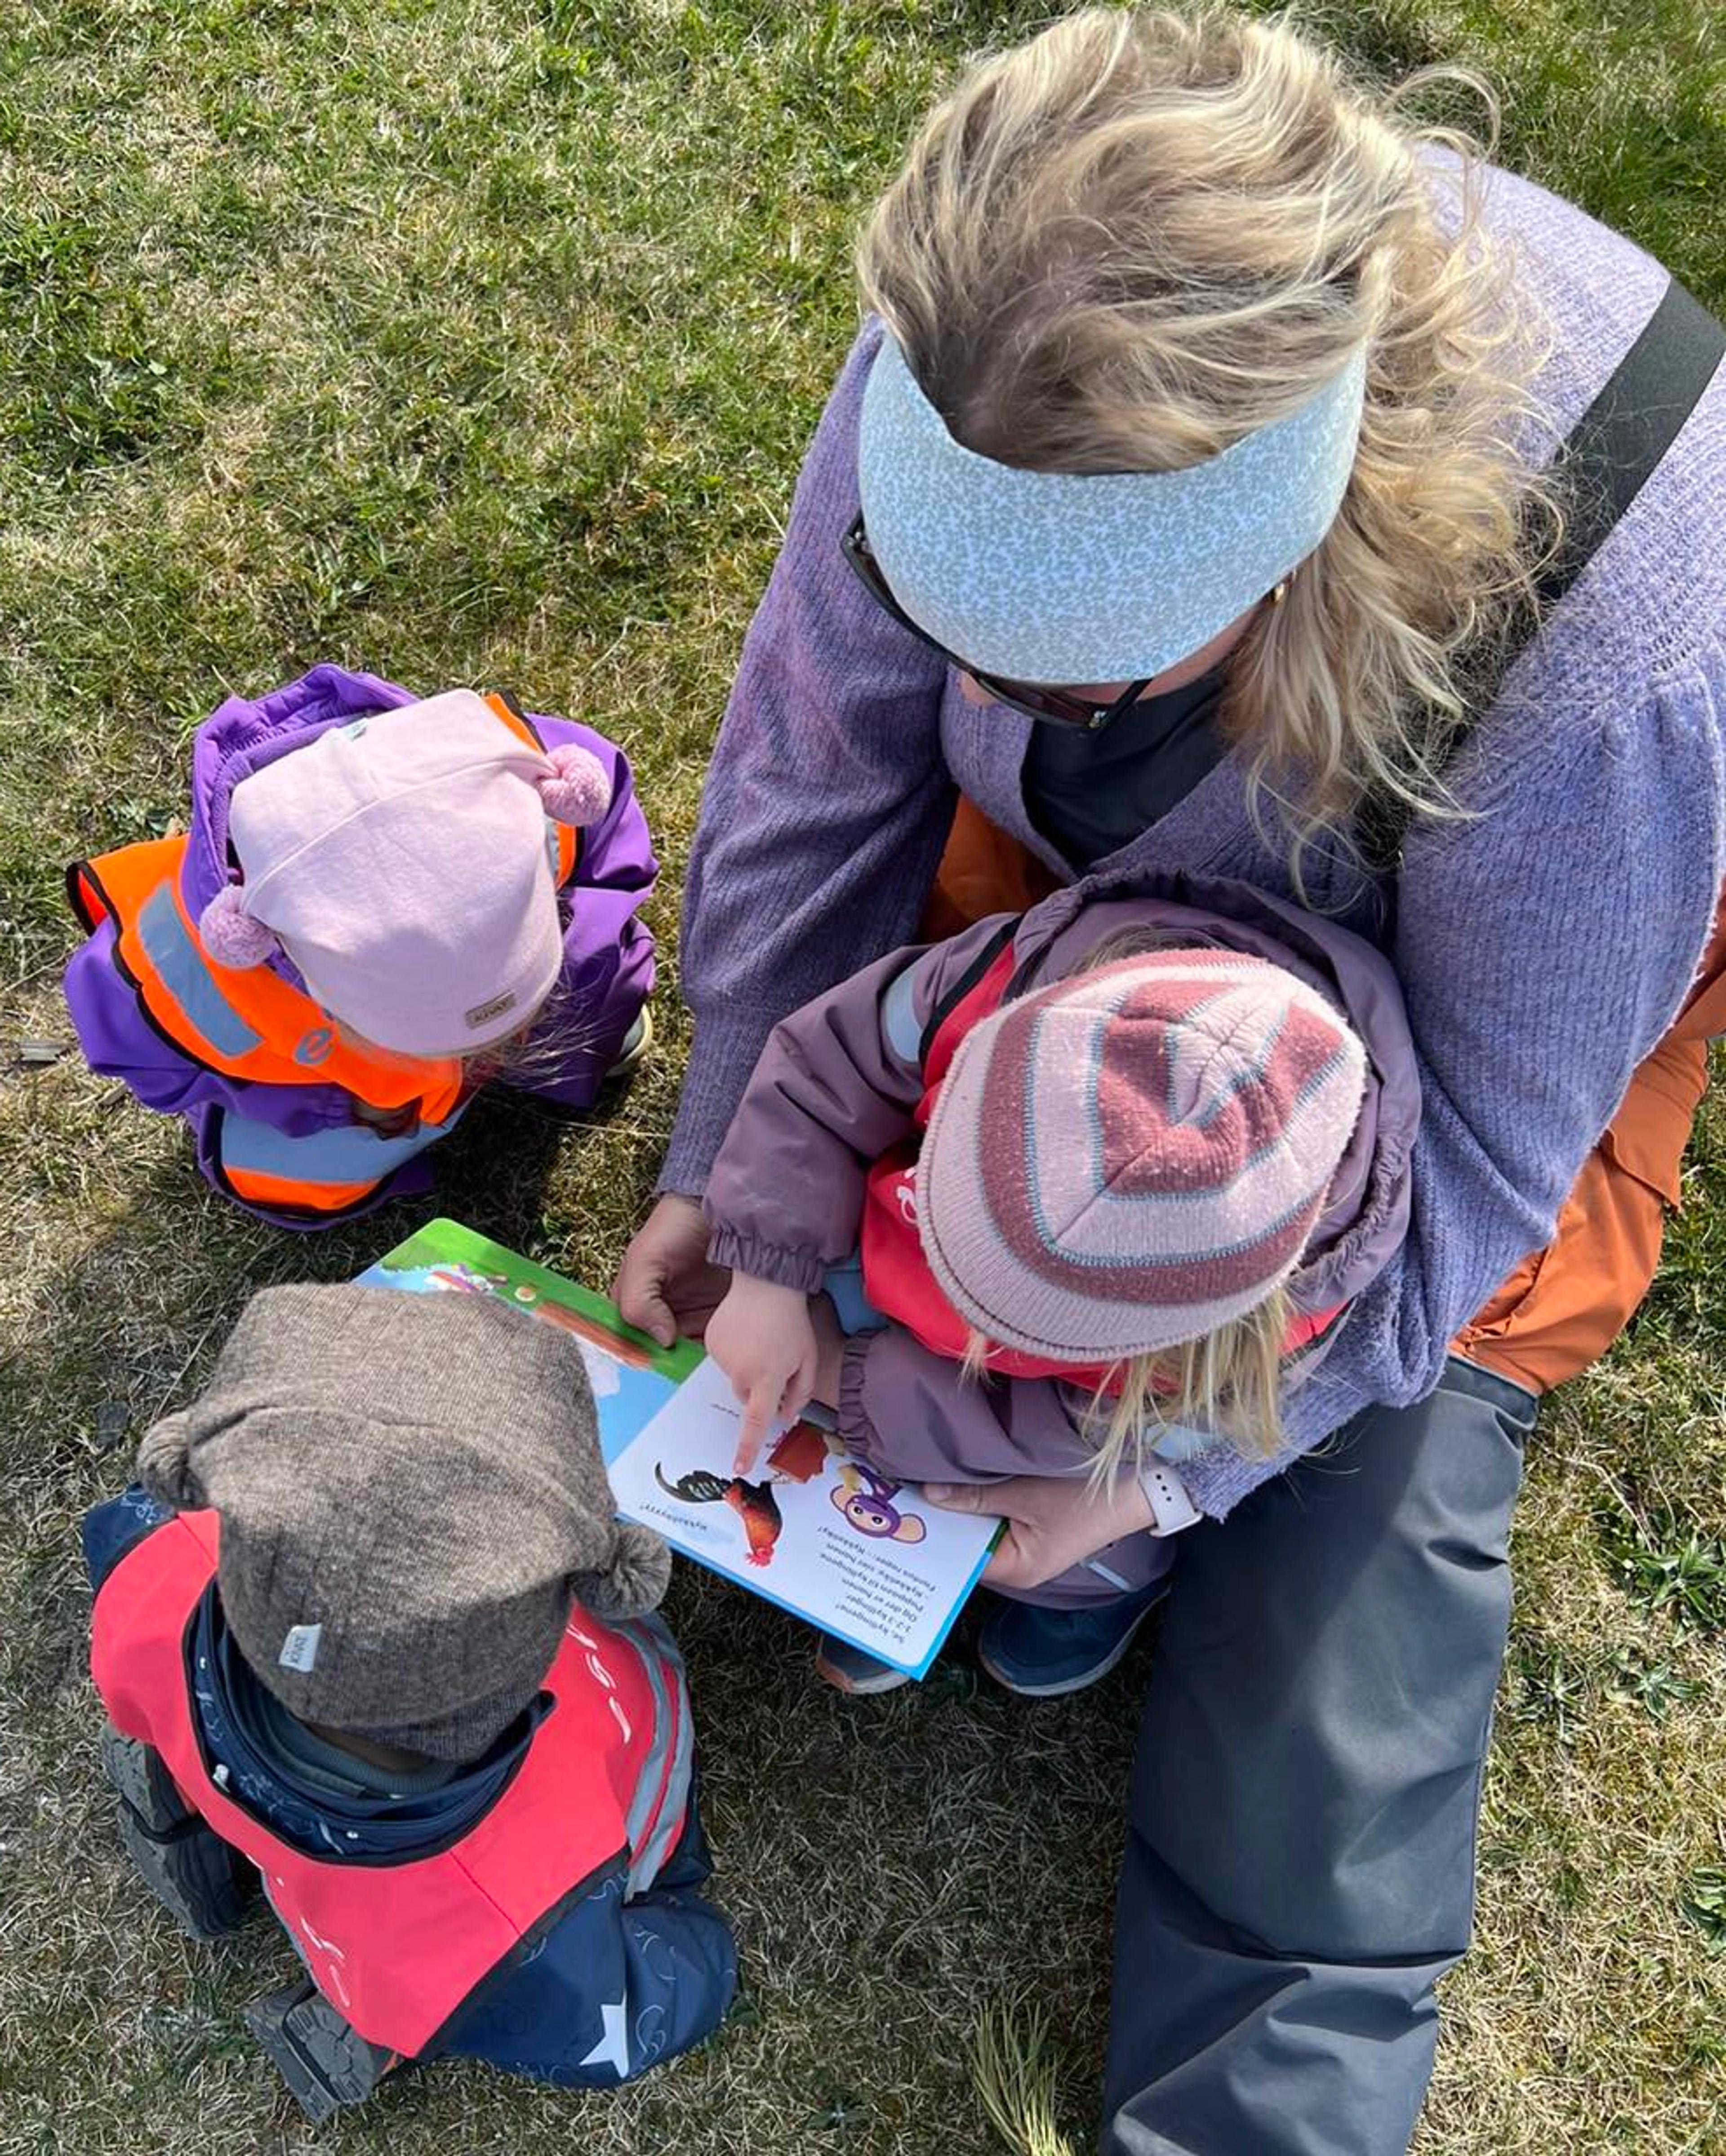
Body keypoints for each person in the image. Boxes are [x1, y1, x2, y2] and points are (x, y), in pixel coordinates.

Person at [613, 9, 1726, 2151]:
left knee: (1376, 1481)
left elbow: (1484, 1166)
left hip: (1493, 1007)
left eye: (1066, 637)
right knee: (925, 1196)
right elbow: (818, 758)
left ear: (1301, 525)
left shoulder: (1626, 675)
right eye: (944, 587)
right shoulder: (999, 330)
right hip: (1095, 907)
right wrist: (727, 1148)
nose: (968, 669)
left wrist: (1171, 1476)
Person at [700, 869, 1417, 1697]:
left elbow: (1066, 1430)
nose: (966, 1320)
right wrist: (765, 1275)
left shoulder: (1256, 1331)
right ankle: (899, 1553)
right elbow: (821, 1075)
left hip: (1038, 1431)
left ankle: (1082, 1595)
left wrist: (844, 1376)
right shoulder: (988, 983)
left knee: (1077, 1534)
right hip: (886, 1272)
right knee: (788, 1356)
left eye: (1007, 1323)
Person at [85, 1285, 735, 2122]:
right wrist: (706, 1953)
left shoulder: (166, 1556)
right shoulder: (517, 1902)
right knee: (474, 1982)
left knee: (185, 1728)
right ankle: (379, 2018)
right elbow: (617, 2016)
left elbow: (120, 1530)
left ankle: (182, 1794)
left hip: (205, 1715)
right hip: (456, 1933)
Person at [64, 664, 656, 1227]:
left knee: (588, 980)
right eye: (466, 1049)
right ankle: (389, 1108)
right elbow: (151, 1064)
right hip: (343, 1090)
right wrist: (326, 1107)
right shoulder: (187, 965)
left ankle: (562, 1013)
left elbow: (613, 841)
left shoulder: (519, 780)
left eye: (497, 1039)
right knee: (274, 1175)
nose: (489, 1058)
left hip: (388, 1061)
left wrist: (577, 961)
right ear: (312, 985)